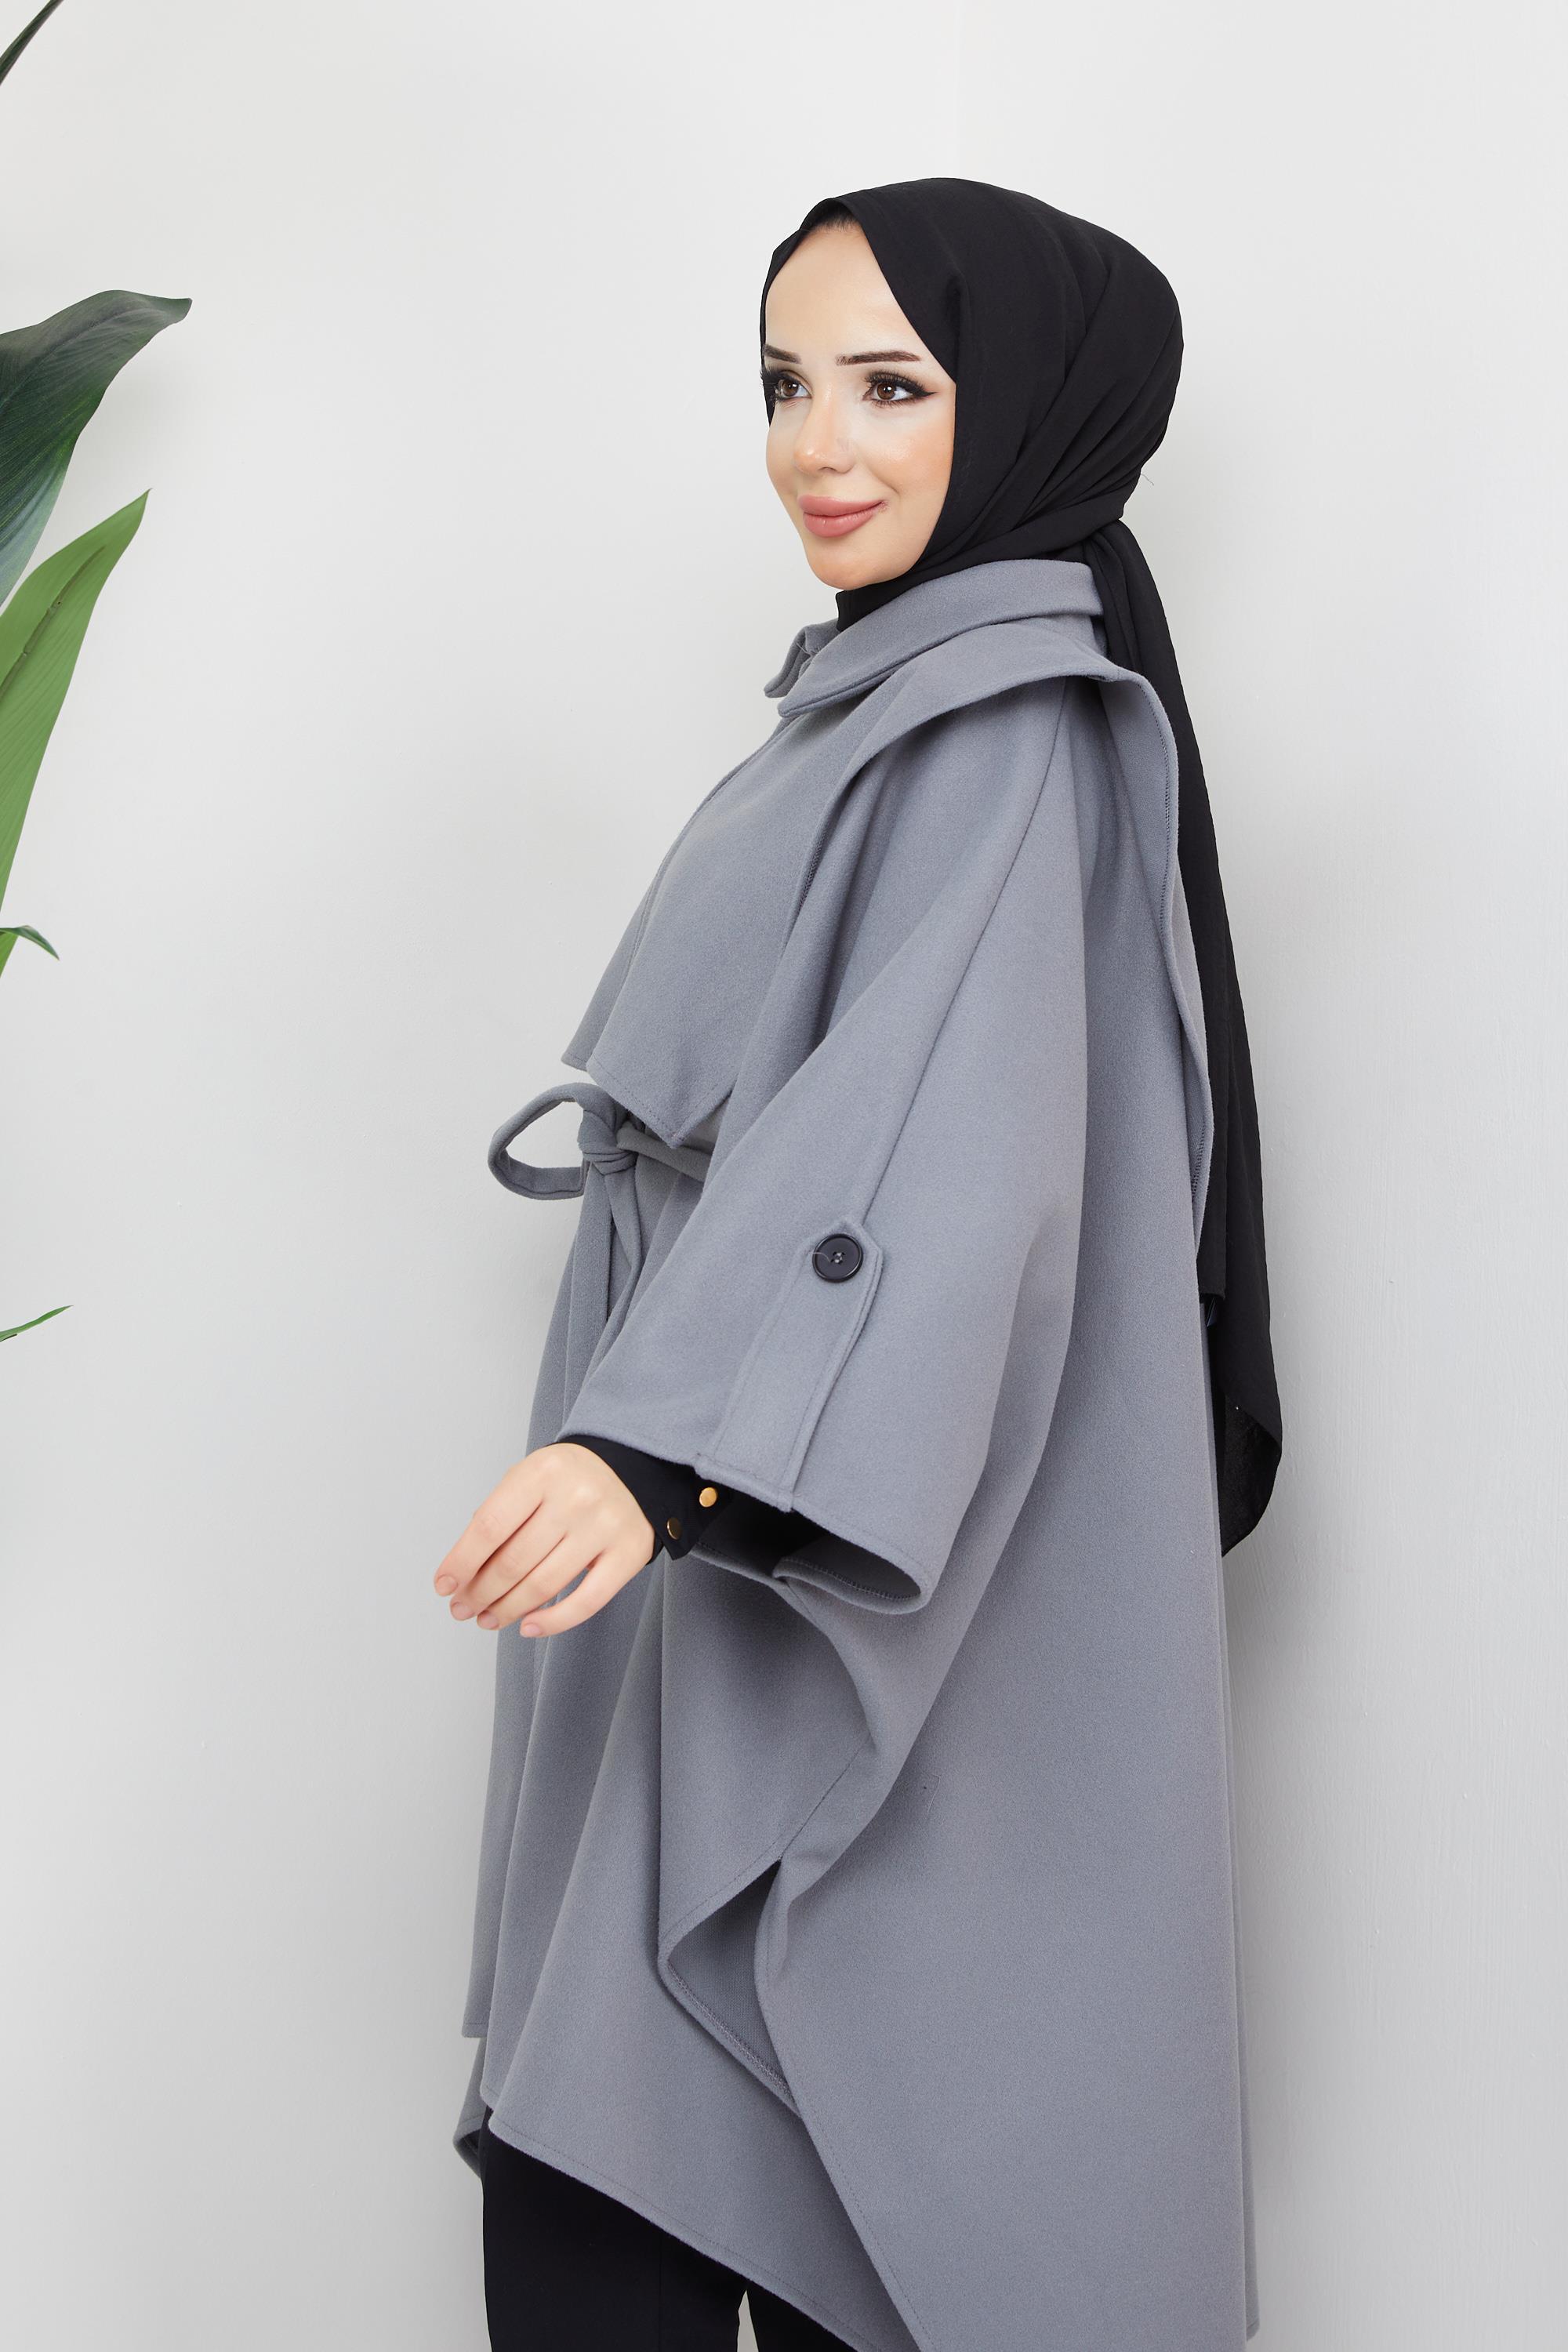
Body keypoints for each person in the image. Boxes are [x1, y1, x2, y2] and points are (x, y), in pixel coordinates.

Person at [436, 176, 1283, 2352]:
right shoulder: (874, 700)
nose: (819, 448)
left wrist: (656, 1454)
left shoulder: (1006, 725)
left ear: (1030, 408)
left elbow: (936, 1144)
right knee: (638, 2126)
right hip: (736, 1540)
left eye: (893, 386)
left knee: (842, 2116)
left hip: (828, 1541)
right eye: (786, 384)